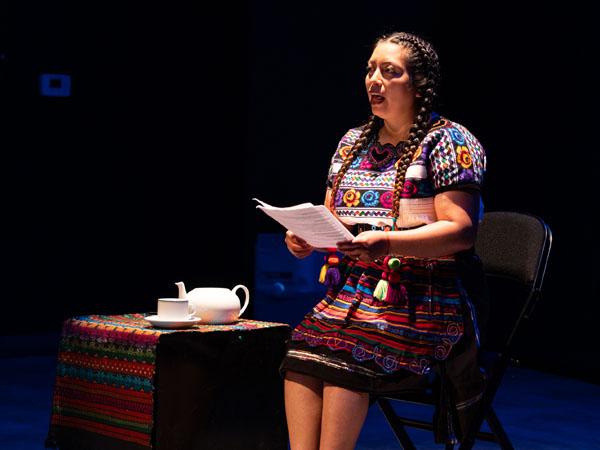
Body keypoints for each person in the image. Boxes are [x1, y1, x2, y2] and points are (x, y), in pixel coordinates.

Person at [280, 31, 489, 449]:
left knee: (343, 361)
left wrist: (389, 243)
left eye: (389, 71)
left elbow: (462, 231)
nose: (374, 79)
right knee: (300, 357)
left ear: (417, 84)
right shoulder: (352, 143)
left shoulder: (448, 141)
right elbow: (332, 220)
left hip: (425, 299)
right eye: (370, 69)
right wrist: (305, 237)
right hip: (353, 297)